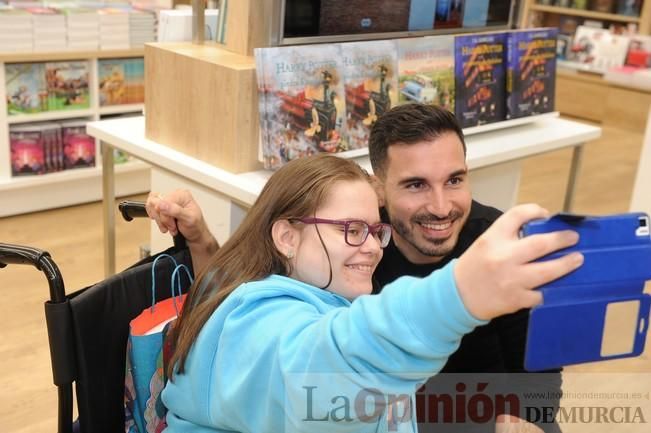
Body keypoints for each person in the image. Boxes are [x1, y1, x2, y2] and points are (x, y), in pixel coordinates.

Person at [147, 153, 582, 433]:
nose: (373, 246)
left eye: (376, 230)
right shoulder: (258, 324)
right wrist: (460, 294)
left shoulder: (276, 291)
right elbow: (323, 365)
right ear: (286, 237)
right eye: (352, 231)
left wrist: (203, 243)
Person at [367, 104, 562, 432]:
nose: (441, 208)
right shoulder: (359, 248)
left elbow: (540, 372)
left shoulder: (500, 241)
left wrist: (526, 420)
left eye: (454, 180)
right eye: (416, 185)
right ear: (379, 190)